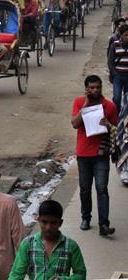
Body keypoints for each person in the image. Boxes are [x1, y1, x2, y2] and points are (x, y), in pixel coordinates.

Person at [71, 75, 117, 236]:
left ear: (101, 87)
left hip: (101, 154)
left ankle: (104, 224)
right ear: (86, 89)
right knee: (85, 189)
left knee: (102, 188)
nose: (95, 90)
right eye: (91, 87)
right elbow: (75, 124)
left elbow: (117, 130)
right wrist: (84, 107)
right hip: (83, 153)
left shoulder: (109, 106)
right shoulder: (78, 102)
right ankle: (85, 218)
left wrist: (108, 125)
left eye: (97, 87)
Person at [8, 199, 87, 280]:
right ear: (38, 220)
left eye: (53, 223)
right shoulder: (27, 244)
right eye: (44, 222)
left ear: (60, 223)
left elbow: (81, 274)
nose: (48, 227)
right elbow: (16, 274)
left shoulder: (71, 246)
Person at [107, 24, 128, 110]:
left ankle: (124, 116)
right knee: (117, 97)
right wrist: (114, 73)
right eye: (126, 35)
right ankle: (118, 116)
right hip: (118, 76)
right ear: (121, 35)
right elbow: (110, 62)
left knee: (127, 100)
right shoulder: (115, 45)